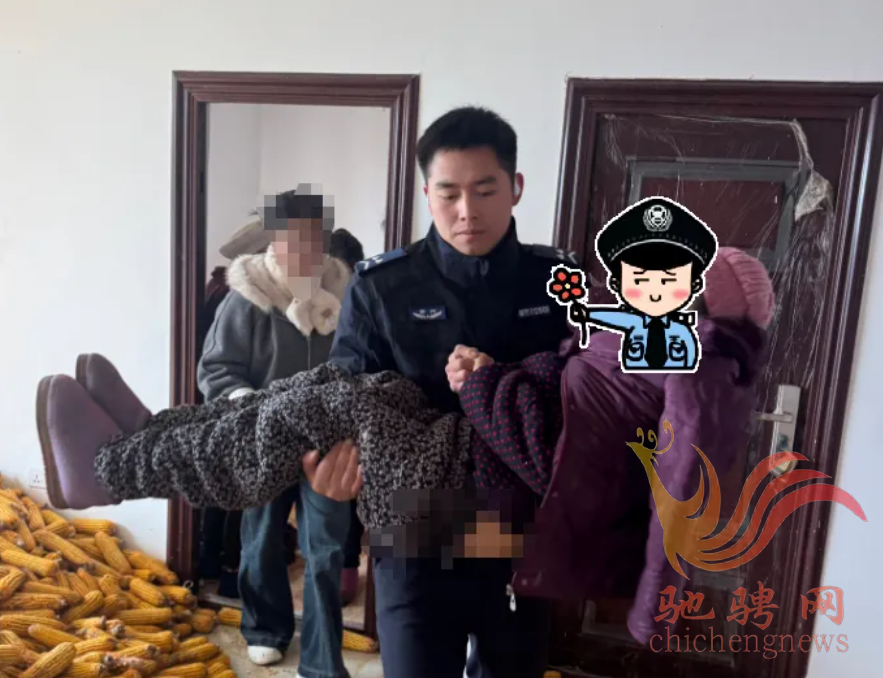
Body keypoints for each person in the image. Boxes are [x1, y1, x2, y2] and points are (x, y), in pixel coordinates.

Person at [35, 246, 778, 664]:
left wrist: (655, 612)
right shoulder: (650, 342)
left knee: (319, 406)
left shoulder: (694, 368)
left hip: (481, 480)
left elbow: (645, 479)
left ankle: (109, 469)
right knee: (325, 387)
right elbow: (569, 389)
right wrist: (499, 374)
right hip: (471, 453)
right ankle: (147, 438)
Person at [196, 187, 359, 678]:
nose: (303, 249)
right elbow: (216, 369)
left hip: (326, 445)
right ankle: (265, 629)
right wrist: (252, 409)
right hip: (263, 442)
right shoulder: (248, 296)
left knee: (326, 550)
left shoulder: (345, 293)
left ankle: (322, 659)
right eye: (292, 238)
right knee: (262, 540)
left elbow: (361, 361)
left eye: (313, 238)